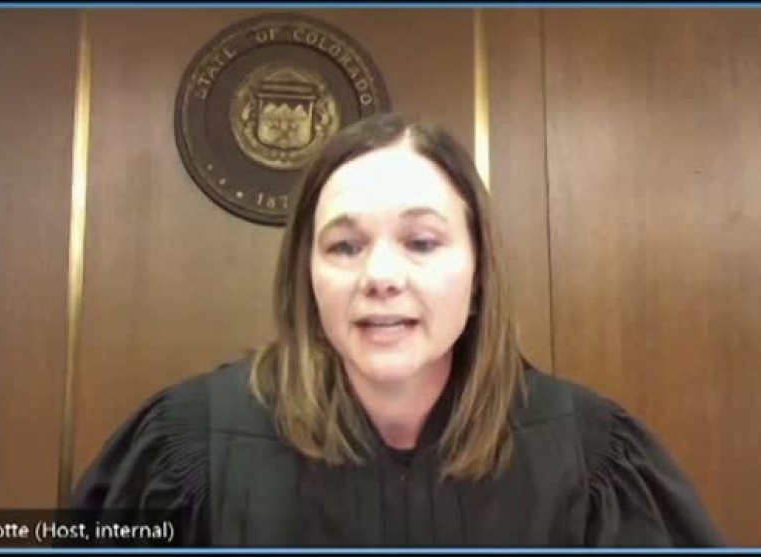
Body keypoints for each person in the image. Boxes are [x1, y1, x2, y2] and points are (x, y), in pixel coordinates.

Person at [66, 112, 725, 547]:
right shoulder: (188, 446)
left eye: (422, 242)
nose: (380, 276)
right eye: (345, 246)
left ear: (479, 272)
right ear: (307, 276)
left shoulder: (592, 458)